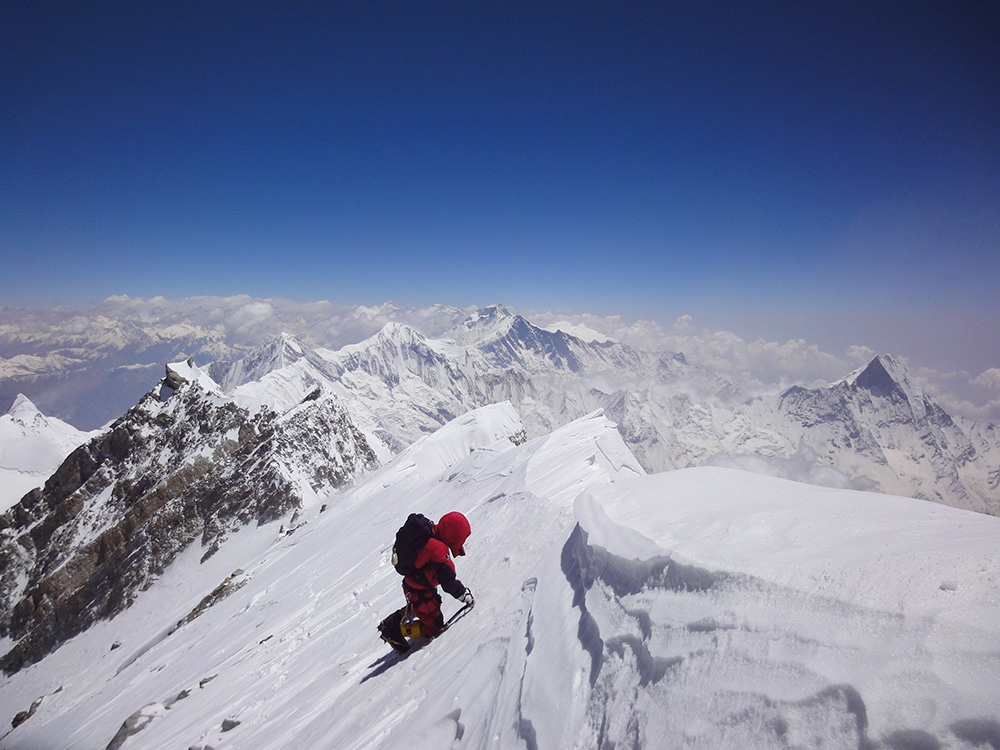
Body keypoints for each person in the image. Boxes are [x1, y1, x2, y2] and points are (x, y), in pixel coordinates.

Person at [378, 511, 474, 653]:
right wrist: (464, 595)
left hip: (416, 586)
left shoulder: (432, 533)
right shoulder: (438, 550)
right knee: (433, 626)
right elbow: (448, 581)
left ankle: (393, 622)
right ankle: (395, 630)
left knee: (425, 609)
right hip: (419, 590)